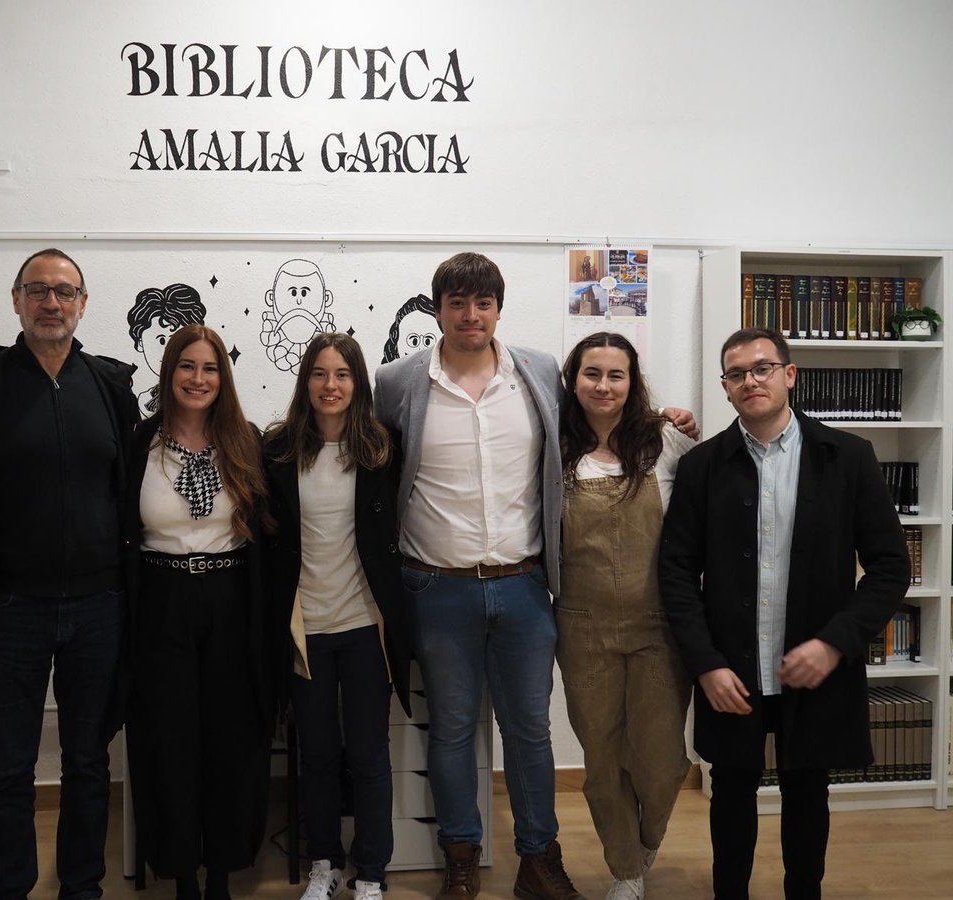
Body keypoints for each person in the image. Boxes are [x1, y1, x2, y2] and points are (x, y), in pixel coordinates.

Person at [374, 251, 697, 900]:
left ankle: (537, 859)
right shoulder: (396, 381)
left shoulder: (540, 372)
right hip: (437, 586)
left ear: (498, 308)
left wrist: (668, 423)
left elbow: (594, 421)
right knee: (454, 730)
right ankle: (460, 856)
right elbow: (375, 469)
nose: (471, 316)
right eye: (458, 303)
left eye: (483, 303)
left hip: (525, 586)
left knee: (529, 731)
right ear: (439, 308)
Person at [0, 248, 138, 899]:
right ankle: (7, 890)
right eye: (37, 290)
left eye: (64, 292)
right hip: (11, 612)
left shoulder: (110, 389)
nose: (51, 303)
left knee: (89, 765)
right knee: (10, 769)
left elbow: (131, 500)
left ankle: (81, 889)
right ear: (15, 301)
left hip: (100, 609)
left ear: (83, 305)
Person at [659, 327, 909, 900]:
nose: (751, 381)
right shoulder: (701, 467)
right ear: (726, 388)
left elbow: (891, 567)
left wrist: (835, 643)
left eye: (763, 368)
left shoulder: (847, 458)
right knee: (732, 793)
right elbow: (675, 572)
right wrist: (704, 662)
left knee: (807, 792)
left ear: (789, 375)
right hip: (730, 667)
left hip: (813, 662)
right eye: (737, 374)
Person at [263, 333, 415, 900]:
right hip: (306, 631)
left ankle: (371, 871)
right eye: (321, 374)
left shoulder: (383, 449)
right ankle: (323, 864)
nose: (331, 386)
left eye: (343, 375)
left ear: (359, 383)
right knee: (319, 754)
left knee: (370, 755)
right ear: (306, 382)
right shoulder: (277, 450)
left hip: (363, 626)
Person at [124, 324, 273, 900]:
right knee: (168, 741)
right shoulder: (140, 442)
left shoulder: (246, 441)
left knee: (231, 740)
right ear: (169, 373)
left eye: (210, 369)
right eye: (187, 366)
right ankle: (182, 872)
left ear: (223, 377)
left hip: (232, 599)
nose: (198, 378)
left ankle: (220, 874)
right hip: (161, 602)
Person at [556, 332, 695, 900]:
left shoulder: (667, 443)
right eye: (593, 373)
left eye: (617, 375)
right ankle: (626, 871)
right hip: (581, 627)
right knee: (603, 759)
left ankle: (648, 837)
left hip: (658, 625)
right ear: (573, 380)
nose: (604, 385)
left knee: (661, 760)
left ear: (634, 382)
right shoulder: (554, 449)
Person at [127, 282, 207, 415]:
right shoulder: (138, 403)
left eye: (179, 340)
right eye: (161, 340)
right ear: (140, 342)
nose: (170, 350)